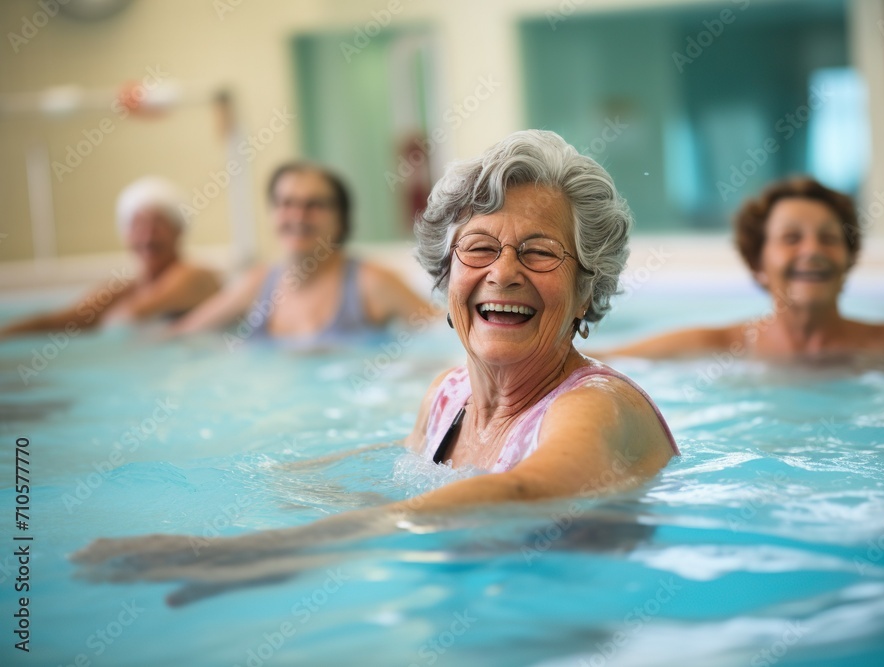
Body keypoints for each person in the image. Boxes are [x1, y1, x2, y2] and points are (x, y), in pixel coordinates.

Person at [71, 131, 678, 602]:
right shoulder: (448, 397)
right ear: (447, 278)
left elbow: (528, 492)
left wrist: (281, 549)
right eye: (479, 247)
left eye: (540, 251)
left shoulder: (596, 405)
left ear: (585, 290)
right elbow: (397, 476)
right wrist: (216, 504)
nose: (503, 272)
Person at [602, 176, 884, 361]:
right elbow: (604, 360)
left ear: (848, 260)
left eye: (829, 239)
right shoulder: (719, 349)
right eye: (792, 238)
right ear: (758, 263)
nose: (812, 251)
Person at [170, 161, 433, 345]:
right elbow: (182, 335)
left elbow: (444, 333)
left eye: (314, 205)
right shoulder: (257, 284)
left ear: (341, 220)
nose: (298, 216)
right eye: (286, 203)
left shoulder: (371, 283)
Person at [0, 176, 220, 339]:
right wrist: (7, 332)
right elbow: (66, 319)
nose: (147, 236)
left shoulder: (196, 276)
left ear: (179, 230)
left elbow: (130, 317)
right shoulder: (126, 289)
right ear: (125, 235)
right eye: (138, 226)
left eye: (158, 225)